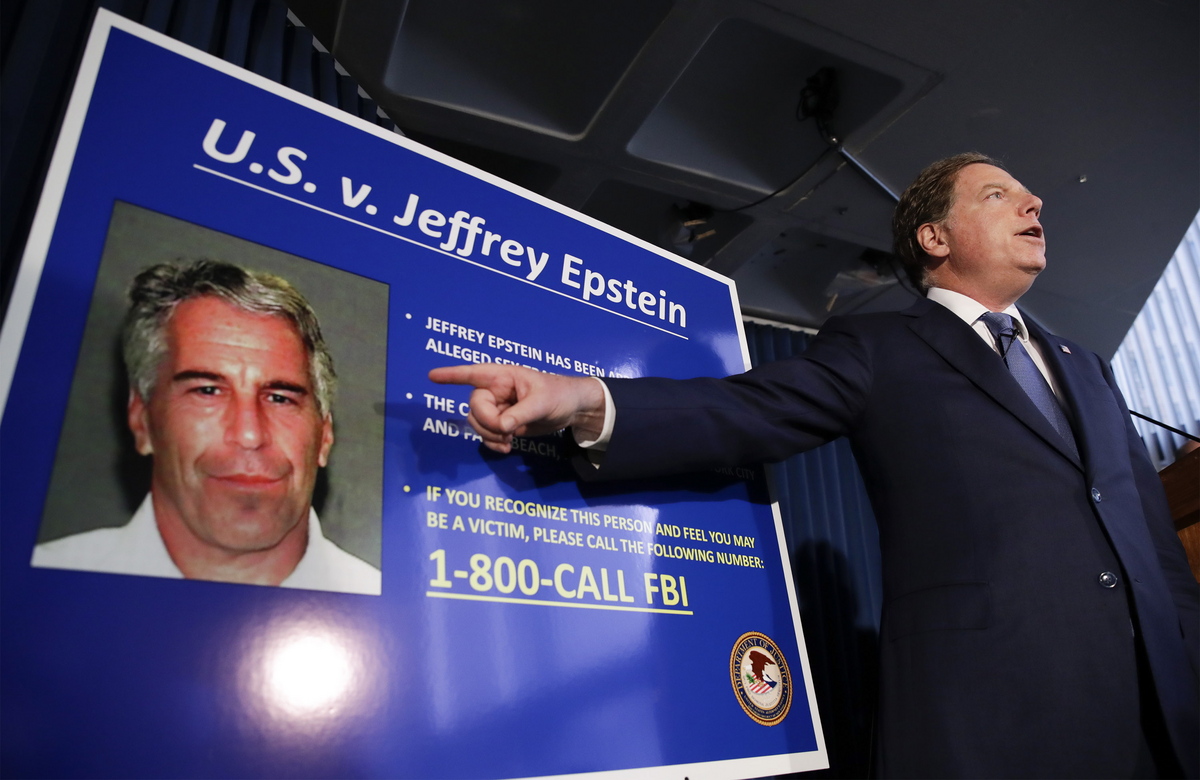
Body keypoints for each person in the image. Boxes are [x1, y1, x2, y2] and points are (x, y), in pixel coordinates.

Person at [431, 154, 1199, 778]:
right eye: (999, 195)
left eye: (1029, 195)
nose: (1034, 203)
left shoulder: (1088, 366)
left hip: (1162, 713)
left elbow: (1155, 546)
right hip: (998, 713)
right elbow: (743, 411)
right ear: (935, 237)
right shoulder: (880, 348)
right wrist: (580, 400)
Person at [32, 260, 381, 596]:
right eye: (207, 391)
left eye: (279, 398)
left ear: (325, 436)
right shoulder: (32, 589)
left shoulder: (396, 609)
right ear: (142, 420)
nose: (249, 434)